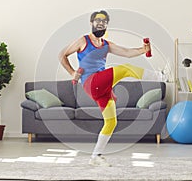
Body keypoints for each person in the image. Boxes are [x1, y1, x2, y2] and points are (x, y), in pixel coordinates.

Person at [59, 10, 163, 167]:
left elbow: (127, 52)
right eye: (97, 21)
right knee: (125, 69)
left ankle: (95, 156)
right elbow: (62, 55)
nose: (100, 24)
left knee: (111, 122)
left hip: (102, 87)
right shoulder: (83, 40)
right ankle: (160, 77)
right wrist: (72, 72)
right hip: (91, 82)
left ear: (106, 25)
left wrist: (144, 50)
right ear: (91, 23)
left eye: (103, 22)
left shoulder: (106, 45)